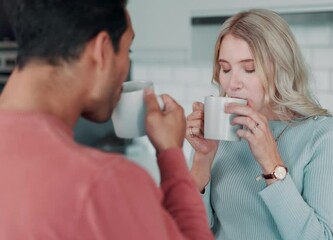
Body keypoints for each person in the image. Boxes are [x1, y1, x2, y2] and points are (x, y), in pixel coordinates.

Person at [0, 0, 214, 239]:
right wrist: (171, 154)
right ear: (102, 50)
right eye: (127, 51)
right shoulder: (103, 184)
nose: (125, 66)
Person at [186, 9, 333, 240]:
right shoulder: (219, 131)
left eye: (249, 68)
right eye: (225, 68)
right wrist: (202, 158)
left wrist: (270, 161)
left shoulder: (325, 136)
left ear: (281, 66)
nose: (232, 83)